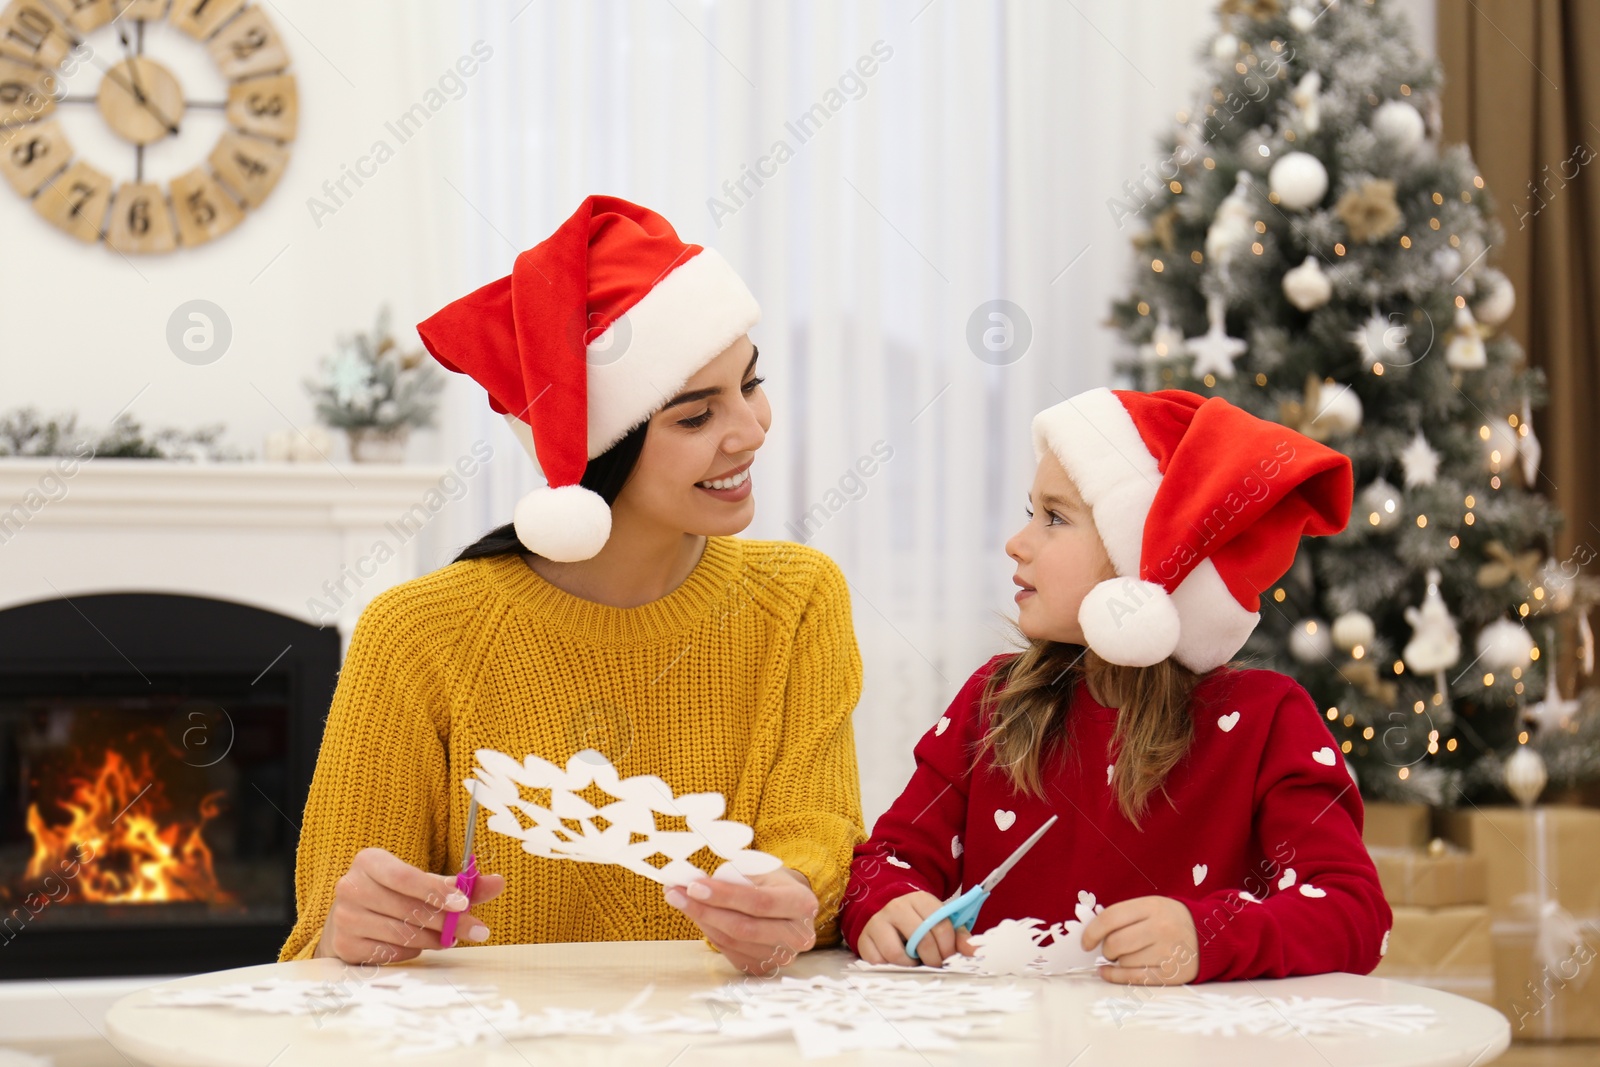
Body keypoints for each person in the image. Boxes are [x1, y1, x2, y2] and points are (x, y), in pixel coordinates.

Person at [280, 196, 865, 976]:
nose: (752, 429)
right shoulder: (414, 632)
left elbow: (815, 830)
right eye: (697, 416)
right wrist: (355, 927)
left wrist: (792, 894)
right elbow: (325, 937)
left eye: (749, 386)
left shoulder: (797, 598)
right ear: (603, 451)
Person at [840, 387, 1392, 984]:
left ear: (1146, 561)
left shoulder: (1268, 720)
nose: (1017, 542)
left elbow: (1353, 914)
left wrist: (1206, 936)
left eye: (1055, 518)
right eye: (1032, 513)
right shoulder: (992, 702)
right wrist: (884, 903)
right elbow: (886, 861)